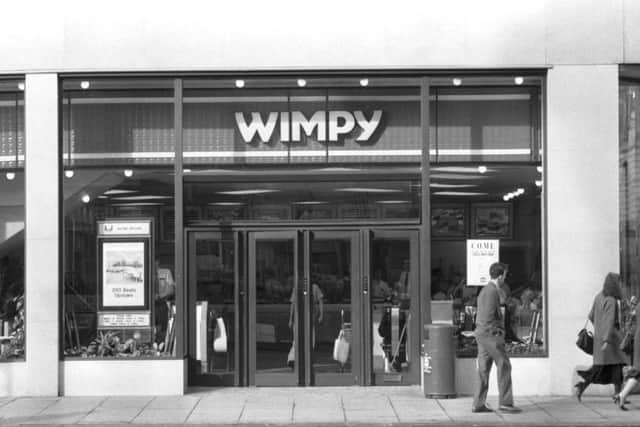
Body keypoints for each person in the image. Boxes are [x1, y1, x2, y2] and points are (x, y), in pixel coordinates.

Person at [472, 262, 522, 414]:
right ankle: (506, 403)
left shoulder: (486, 290)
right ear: (500, 276)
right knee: (504, 365)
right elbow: (488, 317)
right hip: (490, 335)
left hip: (483, 334)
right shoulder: (491, 291)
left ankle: (478, 404)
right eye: (505, 275)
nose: (505, 278)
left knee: (483, 369)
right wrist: (498, 334)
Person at [575, 272, 626, 402]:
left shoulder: (598, 296)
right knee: (613, 366)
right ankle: (618, 395)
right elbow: (609, 321)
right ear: (615, 284)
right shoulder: (611, 300)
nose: (620, 285)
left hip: (600, 339)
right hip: (611, 340)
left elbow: (591, 316)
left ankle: (617, 395)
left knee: (609, 367)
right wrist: (607, 339)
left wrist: (599, 328)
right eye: (619, 282)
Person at [613, 294, 639, 410]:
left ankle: (621, 395)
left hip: (638, 338)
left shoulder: (638, 306)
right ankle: (621, 395)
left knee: (638, 373)